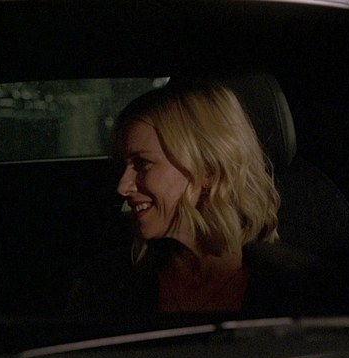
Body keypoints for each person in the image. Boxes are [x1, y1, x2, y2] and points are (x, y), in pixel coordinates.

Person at [67, 81, 322, 317]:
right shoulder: (103, 287)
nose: (123, 186)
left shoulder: (300, 286)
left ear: (208, 170)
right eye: (124, 165)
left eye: (142, 163)